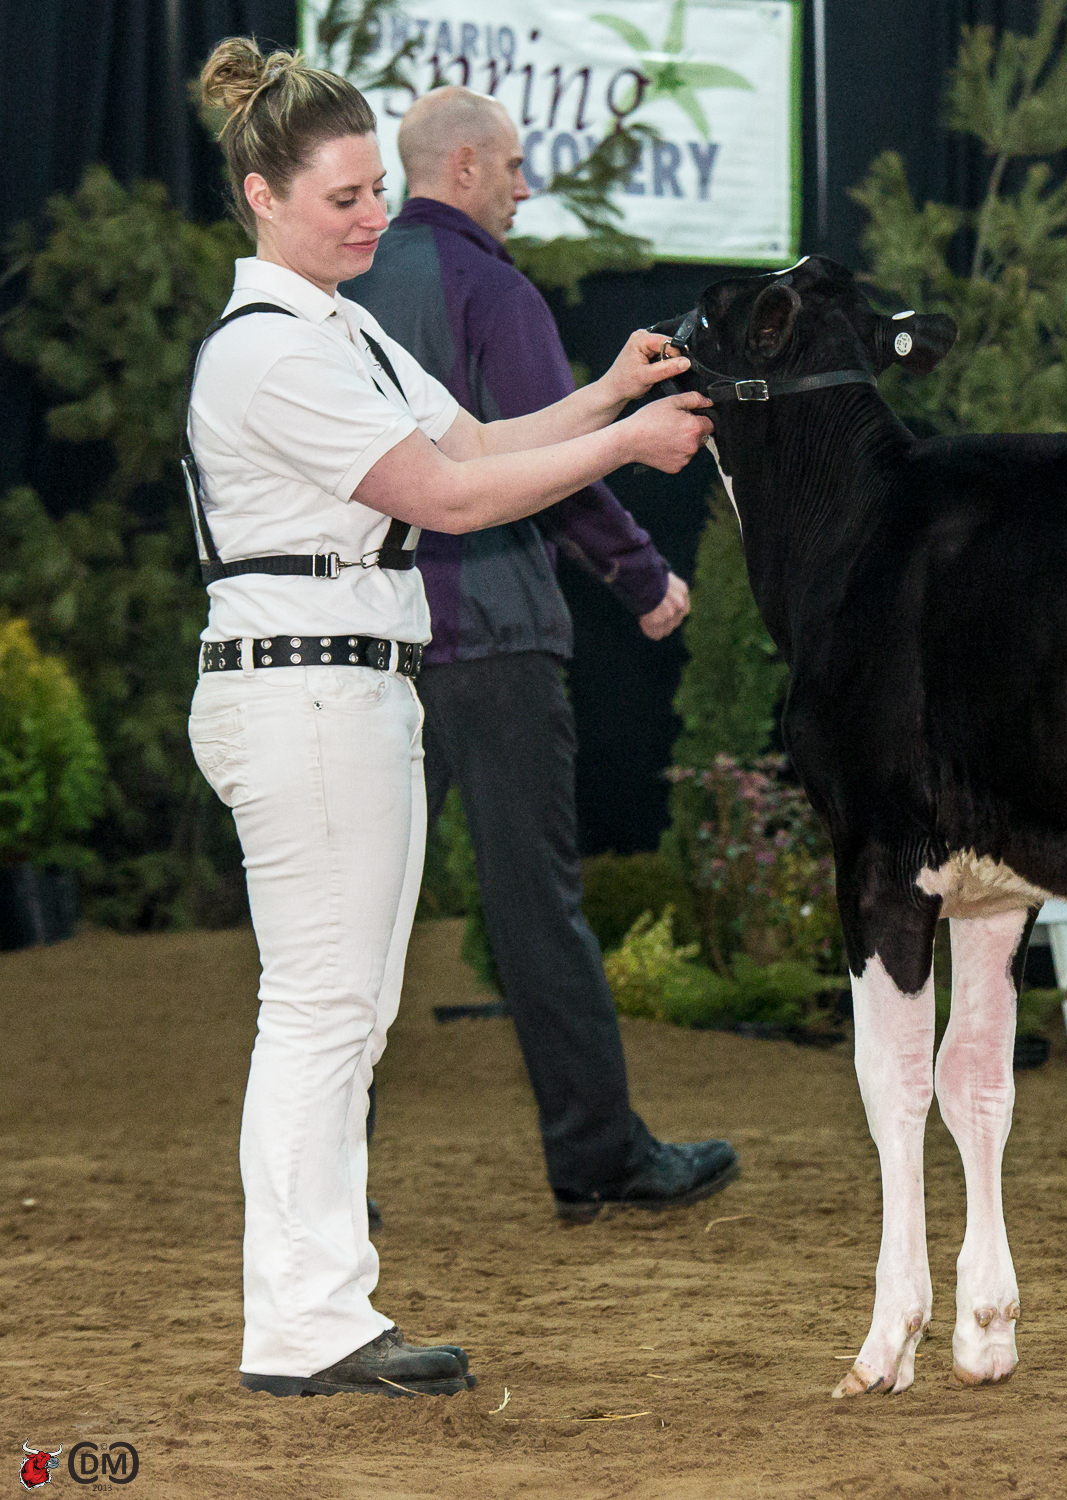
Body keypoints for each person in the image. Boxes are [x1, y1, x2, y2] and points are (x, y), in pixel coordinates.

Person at [184, 39, 714, 1399]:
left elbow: (474, 440)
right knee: (322, 1015)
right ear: (262, 197)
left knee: (344, 1016)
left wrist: (609, 391)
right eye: (344, 198)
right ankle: (303, 1322)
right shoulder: (269, 351)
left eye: (375, 189)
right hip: (304, 689)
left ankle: (319, 1309)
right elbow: (451, 499)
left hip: (350, 684)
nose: (374, 216)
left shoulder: (339, 326)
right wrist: (626, 444)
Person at [343, 87, 737, 1229]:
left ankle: (325, 1183)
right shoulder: (493, 291)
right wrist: (642, 576)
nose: (525, 186)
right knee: (535, 910)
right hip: (492, 638)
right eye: (513, 166)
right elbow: (541, 467)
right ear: (464, 166)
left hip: (370, 644)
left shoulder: (344, 292)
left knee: (352, 923)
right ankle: (599, 1154)